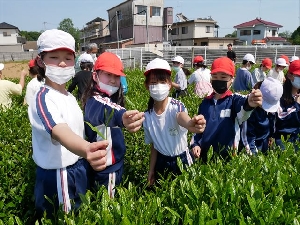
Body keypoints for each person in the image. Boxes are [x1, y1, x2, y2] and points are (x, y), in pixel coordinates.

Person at [27, 29, 108, 219]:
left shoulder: (69, 96)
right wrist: (87, 149)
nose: (62, 63)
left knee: (78, 214)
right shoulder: (43, 97)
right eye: (54, 57)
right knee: (63, 218)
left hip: (77, 165)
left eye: (68, 58)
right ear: (41, 61)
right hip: (58, 173)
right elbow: (58, 130)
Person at [81, 52, 144, 197]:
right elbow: (108, 110)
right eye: (108, 75)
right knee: (108, 209)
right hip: (106, 168)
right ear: (95, 76)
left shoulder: (106, 97)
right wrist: (123, 117)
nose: (113, 80)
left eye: (116, 76)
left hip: (112, 165)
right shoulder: (95, 101)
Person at [142, 58, 206, 185]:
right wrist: (151, 170)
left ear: (170, 85)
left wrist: (191, 124)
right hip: (161, 161)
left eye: (162, 81)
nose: (158, 86)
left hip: (182, 159)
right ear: (147, 86)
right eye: (154, 82)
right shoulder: (147, 116)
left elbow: (182, 117)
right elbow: (154, 147)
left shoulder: (176, 105)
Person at [190, 57, 263, 162]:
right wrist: (195, 144)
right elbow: (198, 129)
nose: (218, 80)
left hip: (228, 161)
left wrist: (250, 103)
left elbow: (244, 108)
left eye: (223, 77)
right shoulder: (205, 103)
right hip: (205, 159)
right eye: (215, 76)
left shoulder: (234, 100)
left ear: (232, 79)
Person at [239, 77, 283, 155]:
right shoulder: (249, 110)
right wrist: (254, 157)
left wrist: (271, 136)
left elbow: (272, 121)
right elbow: (247, 138)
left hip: (265, 145)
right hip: (254, 148)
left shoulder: (272, 102)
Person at [274, 59, 300, 150]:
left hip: (296, 136)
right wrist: (296, 105)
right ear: (289, 75)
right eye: (299, 76)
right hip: (282, 138)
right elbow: (281, 118)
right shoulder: (280, 95)